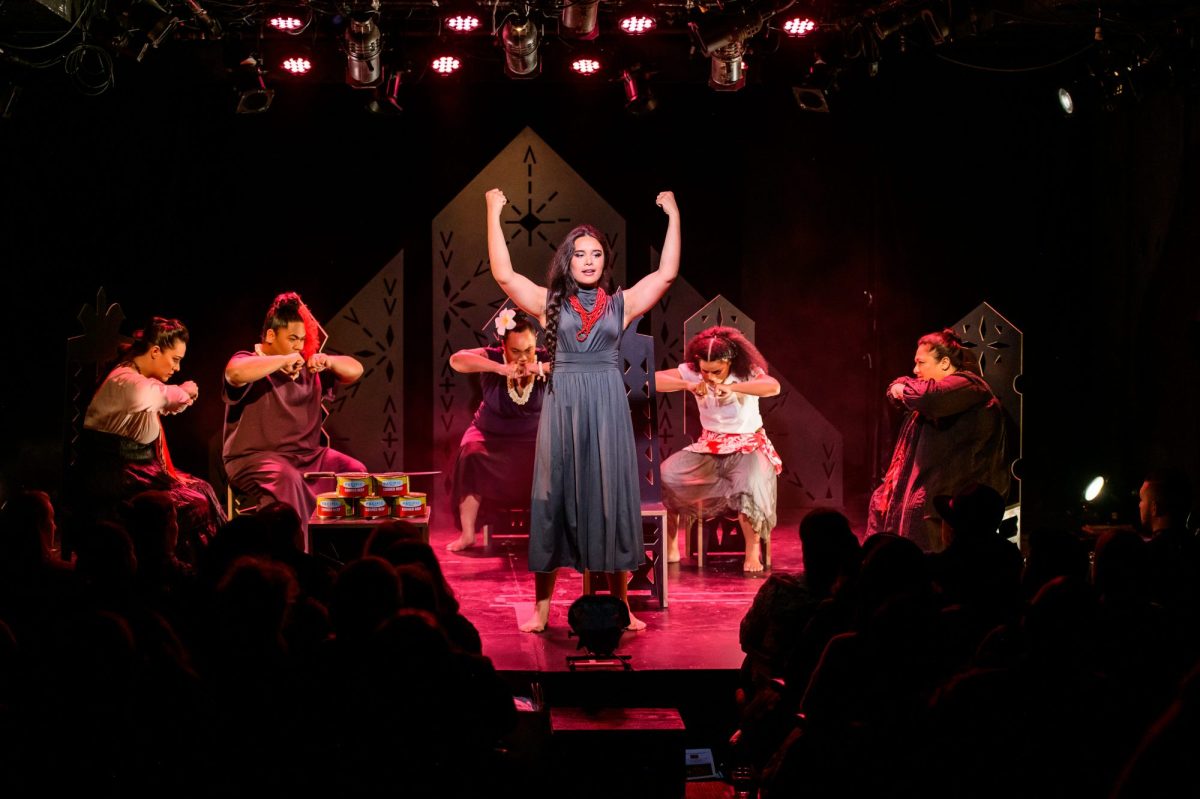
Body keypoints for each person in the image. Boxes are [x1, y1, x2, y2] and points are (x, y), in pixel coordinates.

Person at [485, 187, 681, 633]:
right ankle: (541, 609)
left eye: (595, 253)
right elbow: (503, 274)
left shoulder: (620, 305)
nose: (589, 261)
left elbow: (667, 274)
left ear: (603, 261)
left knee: (610, 498)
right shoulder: (549, 303)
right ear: (567, 262)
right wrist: (493, 211)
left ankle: (622, 606)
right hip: (565, 404)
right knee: (552, 498)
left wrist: (672, 214)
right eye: (579, 254)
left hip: (608, 406)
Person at [81, 317, 225, 560]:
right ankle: (185, 568)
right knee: (195, 503)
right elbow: (161, 398)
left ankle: (215, 563)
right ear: (156, 351)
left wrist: (181, 395)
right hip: (118, 475)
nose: (177, 368)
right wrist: (186, 390)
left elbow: (162, 403)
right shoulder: (125, 381)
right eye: (175, 360)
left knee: (205, 488)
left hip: (139, 469)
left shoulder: (137, 376)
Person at [222, 292, 366, 531]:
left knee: (355, 473)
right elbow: (233, 373)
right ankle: (294, 555)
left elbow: (356, 370)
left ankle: (342, 548)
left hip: (308, 457)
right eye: (292, 339)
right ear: (271, 335)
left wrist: (328, 361)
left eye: (301, 340)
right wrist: (280, 361)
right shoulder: (250, 361)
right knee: (285, 478)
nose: (298, 346)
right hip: (254, 458)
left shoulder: (307, 367)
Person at [866, 328, 1008, 552]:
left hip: (952, 511)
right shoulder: (933, 401)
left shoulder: (970, 387)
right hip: (928, 508)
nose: (915, 370)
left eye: (920, 362)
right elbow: (910, 394)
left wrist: (901, 388)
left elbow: (928, 397)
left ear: (944, 363)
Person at [655, 326, 782, 572]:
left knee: (750, 484)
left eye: (717, 371)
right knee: (666, 475)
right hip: (710, 445)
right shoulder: (693, 374)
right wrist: (688, 386)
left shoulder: (746, 373)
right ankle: (671, 546)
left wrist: (733, 388)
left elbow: (773, 387)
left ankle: (752, 551)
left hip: (746, 444)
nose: (710, 376)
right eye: (705, 371)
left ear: (729, 362)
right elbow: (654, 377)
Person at [444, 309, 549, 552]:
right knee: (470, 454)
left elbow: (572, 365)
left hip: (533, 438)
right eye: (516, 351)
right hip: (490, 436)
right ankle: (468, 534)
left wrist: (538, 368)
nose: (523, 357)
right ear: (503, 347)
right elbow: (456, 360)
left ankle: (553, 533)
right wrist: (499, 369)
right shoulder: (492, 357)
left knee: (557, 460)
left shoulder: (543, 359)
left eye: (528, 350)